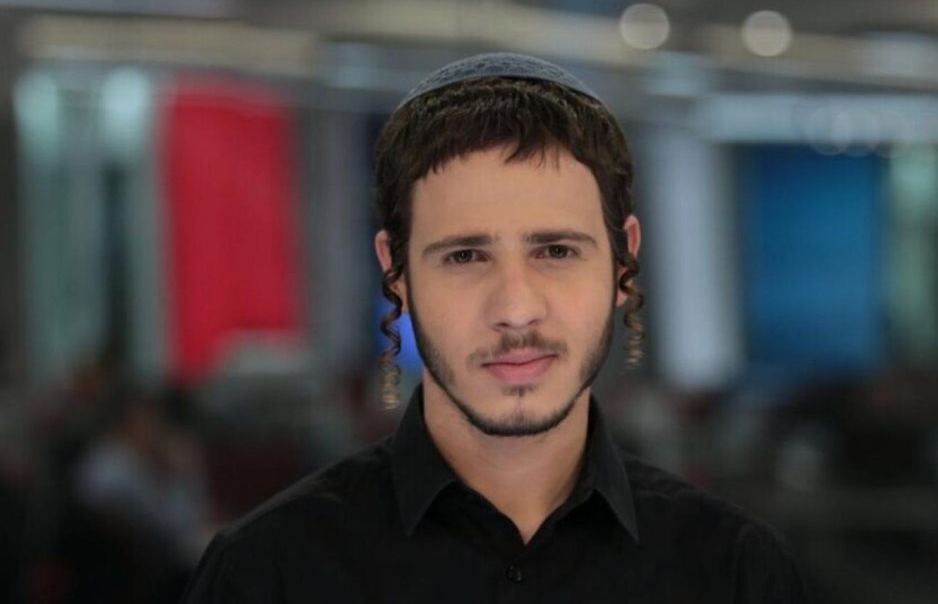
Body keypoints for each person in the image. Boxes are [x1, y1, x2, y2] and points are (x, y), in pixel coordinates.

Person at [180, 52, 809, 603]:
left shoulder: (735, 573)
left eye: (556, 251)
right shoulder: (267, 574)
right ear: (396, 273)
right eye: (465, 256)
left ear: (624, 264)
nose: (515, 308)